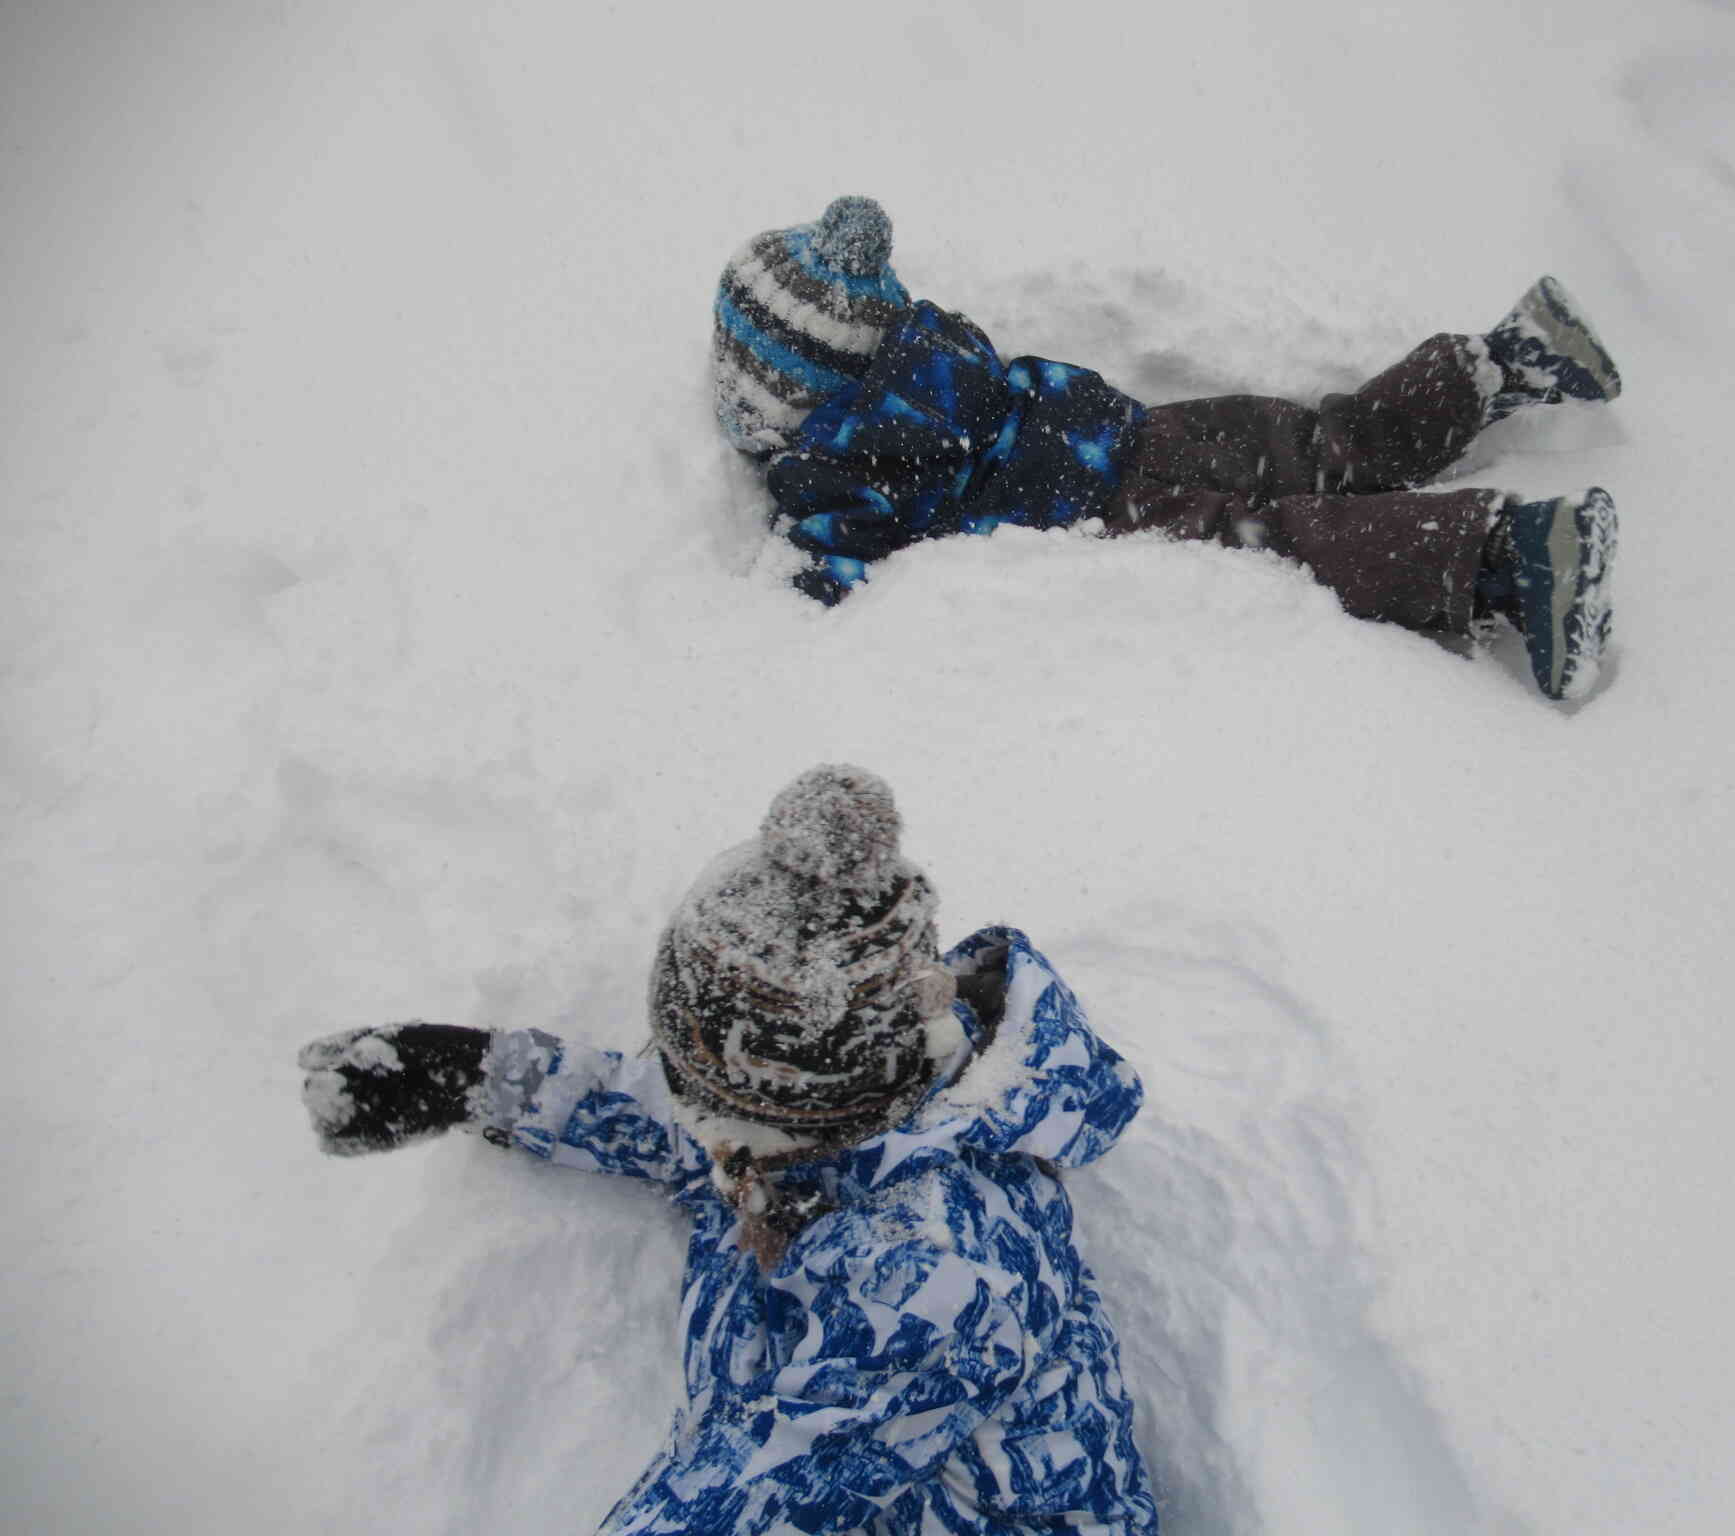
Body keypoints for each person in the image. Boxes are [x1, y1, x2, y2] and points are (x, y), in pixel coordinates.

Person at [297, 766, 1157, 1536]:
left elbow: (757, 1492)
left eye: (696, 1088)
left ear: (795, 1115)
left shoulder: (933, 1277)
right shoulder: (839, 1101)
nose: (679, 1108)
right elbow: (670, 1124)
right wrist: (478, 1077)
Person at [714, 196, 1625, 700]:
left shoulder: (837, 461)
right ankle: (1505, 362)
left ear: (790, 390)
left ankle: (1512, 556)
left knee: (1290, 545)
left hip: (1106, 512)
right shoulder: (925, 337)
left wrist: (799, 564)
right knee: (1322, 442)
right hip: (1135, 428)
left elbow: (831, 566)